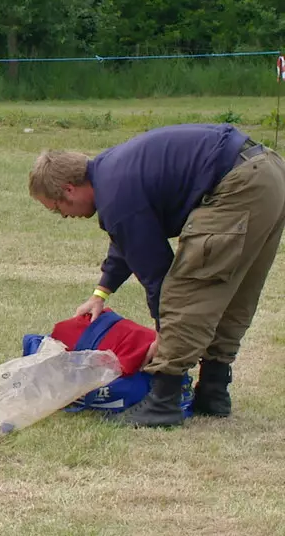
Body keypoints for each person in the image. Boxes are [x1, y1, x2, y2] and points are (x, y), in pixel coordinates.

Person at [30, 124, 285, 427]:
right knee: (232, 290)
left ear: (69, 189)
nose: (65, 216)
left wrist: (165, 336)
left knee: (187, 290)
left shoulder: (114, 193)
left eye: (58, 208)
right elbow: (128, 238)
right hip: (268, 174)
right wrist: (101, 292)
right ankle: (214, 392)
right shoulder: (112, 173)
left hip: (237, 184)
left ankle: (164, 401)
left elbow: (157, 275)